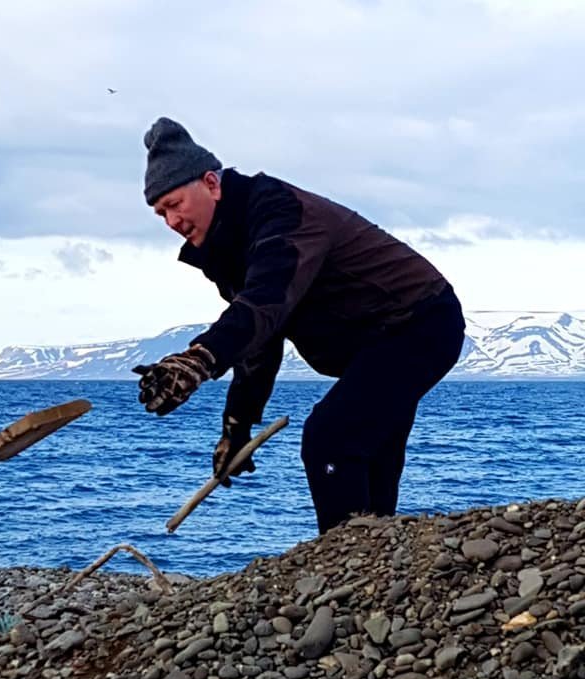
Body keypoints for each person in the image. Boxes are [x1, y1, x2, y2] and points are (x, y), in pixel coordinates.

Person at [134, 117, 465, 534]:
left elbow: (267, 301)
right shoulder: (226, 245)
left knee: (331, 439)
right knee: (368, 449)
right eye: (160, 213)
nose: (171, 222)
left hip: (418, 322)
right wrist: (237, 425)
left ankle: (344, 561)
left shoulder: (280, 213)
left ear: (211, 184)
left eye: (175, 204)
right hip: (373, 343)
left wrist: (199, 359)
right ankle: (378, 561)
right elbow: (260, 336)